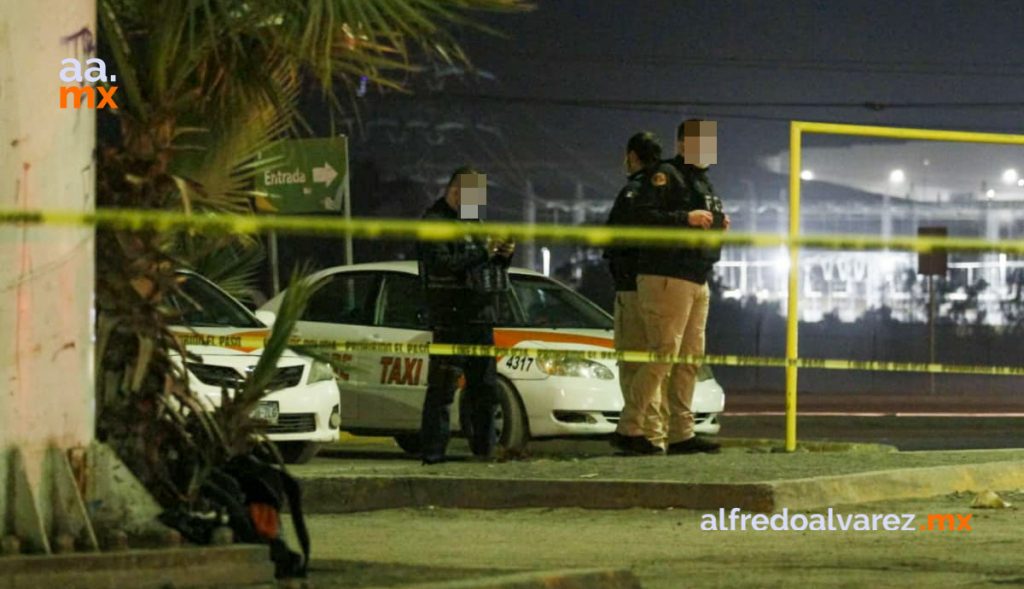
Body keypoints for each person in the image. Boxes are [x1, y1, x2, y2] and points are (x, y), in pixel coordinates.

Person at [628, 119, 729, 455]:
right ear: (682, 144)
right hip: (667, 275)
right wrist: (686, 218)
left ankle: (682, 434)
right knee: (663, 357)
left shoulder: (705, 183)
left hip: (697, 276)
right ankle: (630, 428)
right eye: (700, 143)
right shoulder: (665, 175)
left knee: (689, 360)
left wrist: (716, 225)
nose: (707, 150)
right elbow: (643, 218)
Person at [417, 166, 515, 464]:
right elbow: (442, 265)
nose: (476, 206)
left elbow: (486, 269)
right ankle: (433, 455)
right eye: (472, 197)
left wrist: (503, 254)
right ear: (456, 191)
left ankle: (484, 452)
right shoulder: (434, 222)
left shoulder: (474, 221)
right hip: (450, 318)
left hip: (480, 317)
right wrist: (484, 251)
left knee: (485, 391)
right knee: (442, 391)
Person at [603, 132, 665, 455]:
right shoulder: (667, 188)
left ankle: (633, 430)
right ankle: (653, 434)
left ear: (632, 157)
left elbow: (614, 242)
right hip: (661, 289)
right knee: (653, 364)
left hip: (631, 288)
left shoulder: (632, 193)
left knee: (632, 364)